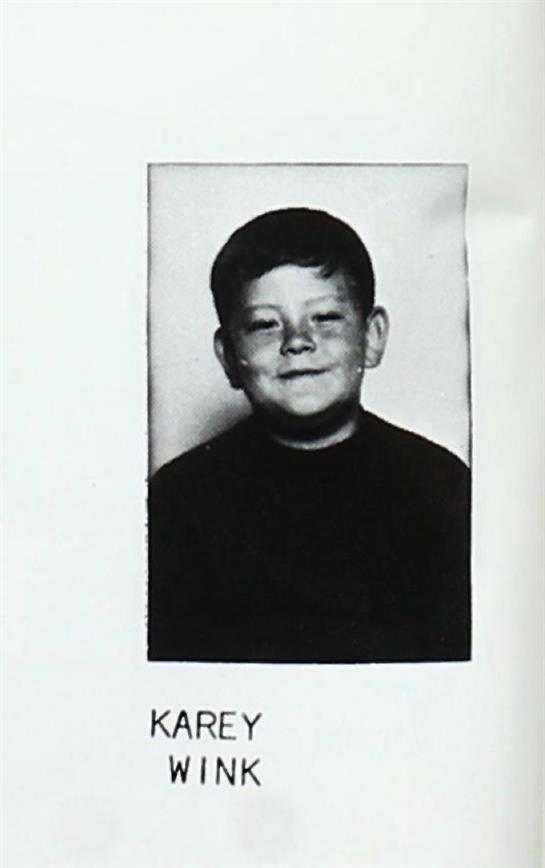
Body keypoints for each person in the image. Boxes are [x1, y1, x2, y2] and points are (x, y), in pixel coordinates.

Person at [148, 207, 470, 663]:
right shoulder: (175, 501)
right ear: (228, 356)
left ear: (372, 336)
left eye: (325, 317)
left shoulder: (442, 487)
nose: (297, 341)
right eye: (264, 324)